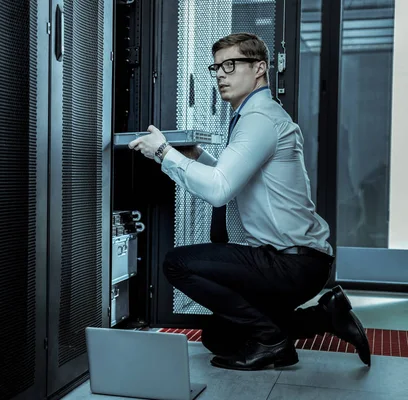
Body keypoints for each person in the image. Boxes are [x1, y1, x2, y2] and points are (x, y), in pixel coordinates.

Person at [128, 32, 371, 371]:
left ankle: (273, 340)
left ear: (259, 68)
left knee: (177, 263)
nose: (220, 75)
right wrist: (197, 156)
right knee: (219, 336)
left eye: (230, 65)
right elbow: (237, 178)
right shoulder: (255, 116)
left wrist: (163, 152)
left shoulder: (259, 120)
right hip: (296, 262)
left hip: (292, 264)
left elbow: (218, 190)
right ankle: (324, 317)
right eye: (216, 68)